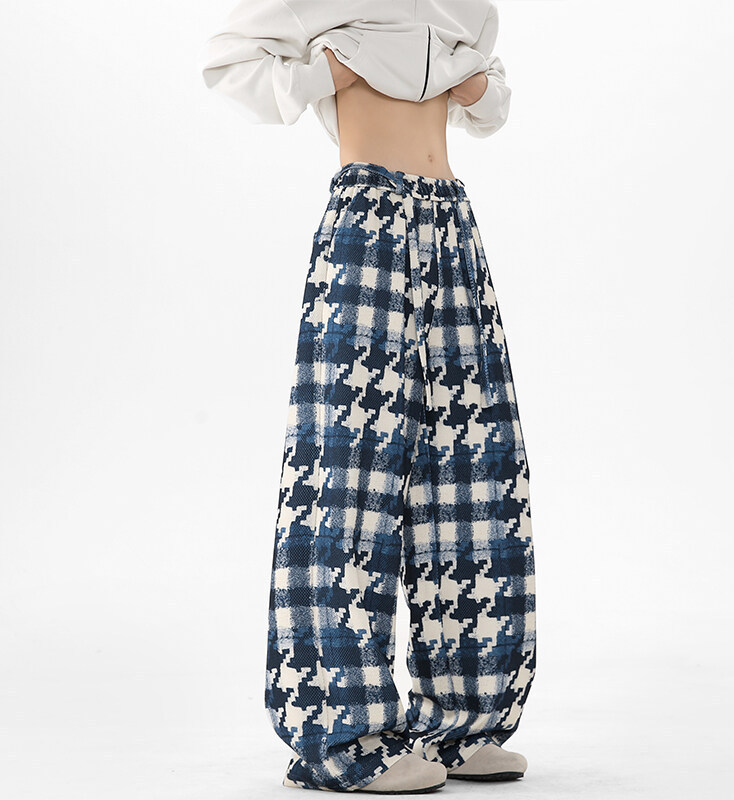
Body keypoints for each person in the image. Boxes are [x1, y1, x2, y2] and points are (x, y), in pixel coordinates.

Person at [200, 0, 537, 793]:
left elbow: (494, 105)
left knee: (475, 468)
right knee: (345, 478)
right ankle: (341, 734)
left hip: (451, 219)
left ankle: (462, 723)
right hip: (367, 217)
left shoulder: (462, 7)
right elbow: (227, 64)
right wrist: (334, 68)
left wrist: (473, 84)